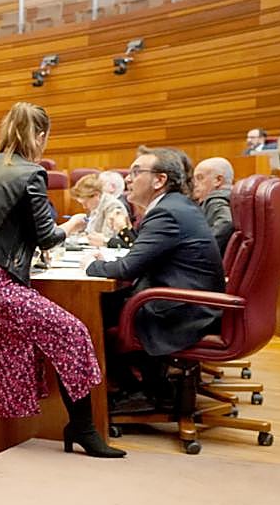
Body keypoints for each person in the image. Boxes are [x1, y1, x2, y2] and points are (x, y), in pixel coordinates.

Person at [0, 102, 123, 459]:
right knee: (73, 333)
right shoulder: (29, 173)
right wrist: (73, 226)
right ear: (40, 136)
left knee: (7, 351)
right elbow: (48, 236)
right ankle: (81, 427)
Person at [86, 148, 225, 405]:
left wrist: (90, 267)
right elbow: (140, 256)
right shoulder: (174, 206)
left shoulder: (167, 212)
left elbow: (128, 269)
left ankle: (138, 389)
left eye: (136, 171)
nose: (128, 178)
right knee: (109, 303)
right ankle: (143, 385)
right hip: (192, 301)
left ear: (159, 180)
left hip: (186, 311)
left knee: (91, 311)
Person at [70, 172, 132, 248]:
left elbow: (107, 236)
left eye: (85, 203)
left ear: (96, 195)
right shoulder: (96, 205)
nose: (84, 207)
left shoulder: (112, 206)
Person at [191, 157, 235, 254]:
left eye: (200, 178)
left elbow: (226, 222)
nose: (194, 184)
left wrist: (198, 251)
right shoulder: (233, 196)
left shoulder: (215, 199)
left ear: (218, 180)